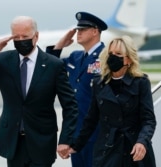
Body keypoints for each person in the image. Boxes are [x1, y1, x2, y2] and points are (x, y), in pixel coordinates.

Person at [0, 16, 78, 167]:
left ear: (36, 36)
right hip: (13, 142)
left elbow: (70, 106)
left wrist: (65, 140)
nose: (21, 40)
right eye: (17, 37)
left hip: (42, 141)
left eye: (25, 36)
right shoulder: (3, 61)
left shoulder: (53, 65)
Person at [64, 35, 157, 167]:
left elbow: (148, 120)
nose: (112, 57)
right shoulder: (99, 82)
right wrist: (76, 146)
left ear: (129, 59)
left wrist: (142, 142)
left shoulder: (140, 82)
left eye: (118, 54)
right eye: (110, 53)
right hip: (107, 149)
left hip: (134, 149)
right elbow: (91, 119)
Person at [46, 11, 108, 167]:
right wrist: (60, 44)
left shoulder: (107, 57)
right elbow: (49, 66)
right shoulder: (75, 56)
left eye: (83, 29)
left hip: (98, 133)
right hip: (77, 132)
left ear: (95, 31)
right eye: (78, 29)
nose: (78, 33)